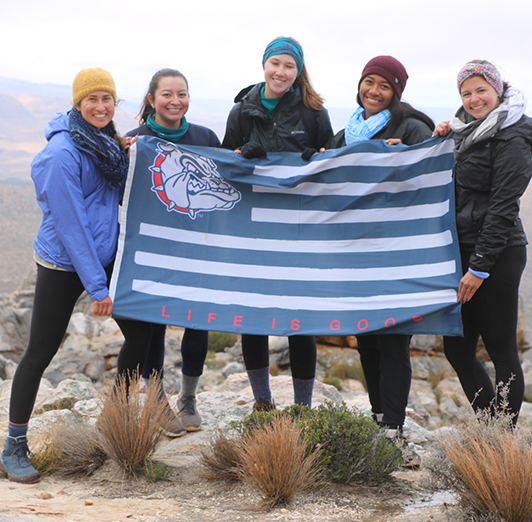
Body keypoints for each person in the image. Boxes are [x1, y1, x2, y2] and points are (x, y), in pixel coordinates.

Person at [0, 68, 153, 484]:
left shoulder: (104, 142)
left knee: (141, 333)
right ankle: (14, 445)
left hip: (103, 256)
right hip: (63, 264)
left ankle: (113, 421)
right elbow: (71, 227)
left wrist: (126, 149)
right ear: (77, 103)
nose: (101, 107)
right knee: (40, 352)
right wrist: (97, 287)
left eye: (108, 99)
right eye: (92, 100)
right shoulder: (62, 153)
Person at [222, 36, 333, 411]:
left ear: (298, 71)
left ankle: (302, 407)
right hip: (253, 227)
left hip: (298, 229)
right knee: (253, 316)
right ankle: (262, 402)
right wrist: (243, 156)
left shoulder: (313, 111)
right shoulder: (241, 110)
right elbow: (223, 167)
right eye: (276, 64)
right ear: (264, 64)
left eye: (289, 66)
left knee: (299, 318)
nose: (281, 72)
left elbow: (329, 165)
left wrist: (311, 158)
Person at [327, 56, 434, 438]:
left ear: (396, 93)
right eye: (369, 82)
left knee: (392, 341)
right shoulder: (345, 135)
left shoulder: (413, 128)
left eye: (384, 86)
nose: (374, 91)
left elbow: (433, 179)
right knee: (366, 340)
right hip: (355, 257)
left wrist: (404, 157)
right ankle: (377, 418)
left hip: (396, 256)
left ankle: (394, 427)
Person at [434, 60, 532, 425]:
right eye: (466, 93)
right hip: (463, 247)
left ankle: (501, 437)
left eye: (481, 90)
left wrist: (478, 267)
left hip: (498, 252)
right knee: (458, 348)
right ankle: (491, 428)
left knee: (500, 350)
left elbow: (502, 208)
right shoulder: (465, 132)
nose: (474, 98)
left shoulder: (513, 137)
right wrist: (439, 139)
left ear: (498, 90)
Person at [126, 68, 221, 436]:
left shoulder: (205, 137)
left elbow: (228, 178)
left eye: (182, 94)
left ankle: (188, 397)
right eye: (167, 94)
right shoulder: (136, 140)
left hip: (198, 247)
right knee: (154, 325)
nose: (176, 101)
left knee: (197, 321)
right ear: (152, 99)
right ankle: (157, 401)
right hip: (152, 250)